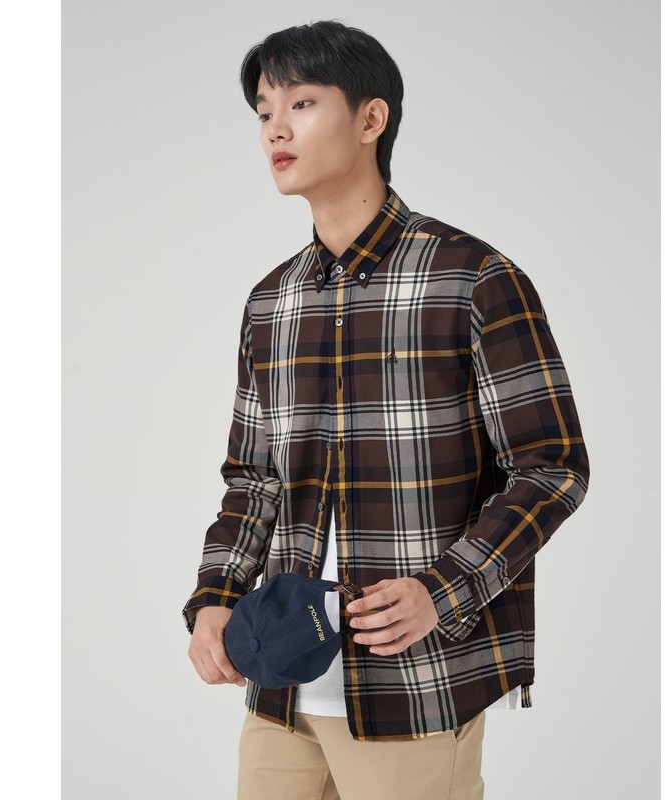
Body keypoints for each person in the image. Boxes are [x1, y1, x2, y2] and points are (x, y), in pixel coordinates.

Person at [183, 19, 589, 800]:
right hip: (280, 684)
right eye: (264, 111)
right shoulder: (271, 302)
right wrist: (214, 599)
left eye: (301, 103)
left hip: (415, 688)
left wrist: (442, 590)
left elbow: (551, 467)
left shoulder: (474, 278)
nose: (275, 128)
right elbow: (254, 479)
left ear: (371, 118)